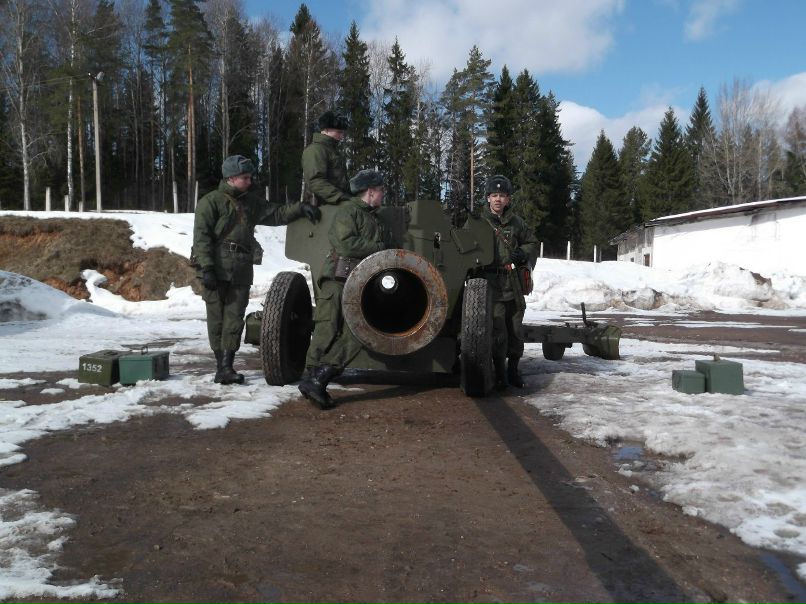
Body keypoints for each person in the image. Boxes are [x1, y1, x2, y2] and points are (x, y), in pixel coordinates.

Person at [193, 154, 320, 385]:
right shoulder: (210, 202)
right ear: (231, 178)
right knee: (217, 319)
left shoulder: (251, 203)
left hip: (241, 268)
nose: (249, 181)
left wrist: (300, 209)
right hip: (216, 267)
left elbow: (276, 213)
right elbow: (201, 238)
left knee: (235, 319)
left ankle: (226, 367)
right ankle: (220, 365)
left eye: (250, 177)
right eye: (245, 177)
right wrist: (207, 268)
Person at [298, 169, 387, 409]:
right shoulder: (349, 211)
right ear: (370, 191)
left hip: (357, 282)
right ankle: (311, 380)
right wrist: (378, 247)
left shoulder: (372, 216)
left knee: (356, 333)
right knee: (327, 328)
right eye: (380, 191)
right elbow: (345, 243)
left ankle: (317, 379)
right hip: (338, 279)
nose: (382, 195)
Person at [480, 174, 538, 390]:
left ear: (508, 200)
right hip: (490, 284)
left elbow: (532, 242)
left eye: (502, 196)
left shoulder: (516, 223)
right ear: (487, 198)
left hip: (512, 283)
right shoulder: (478, 222)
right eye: (494, 195)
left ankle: (513, 370)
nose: (498, 199)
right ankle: (499, 372)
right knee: (497, 332)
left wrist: (523, 253)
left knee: (515, 330)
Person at [301, 110, 351, 206]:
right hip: (321, 209)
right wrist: (341, 198)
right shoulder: (315, 150)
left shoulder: (333, 152)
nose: (342, 136)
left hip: (335, 206)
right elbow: (315, 181)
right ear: (326, 129)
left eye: (342, 132)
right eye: (339, 132)